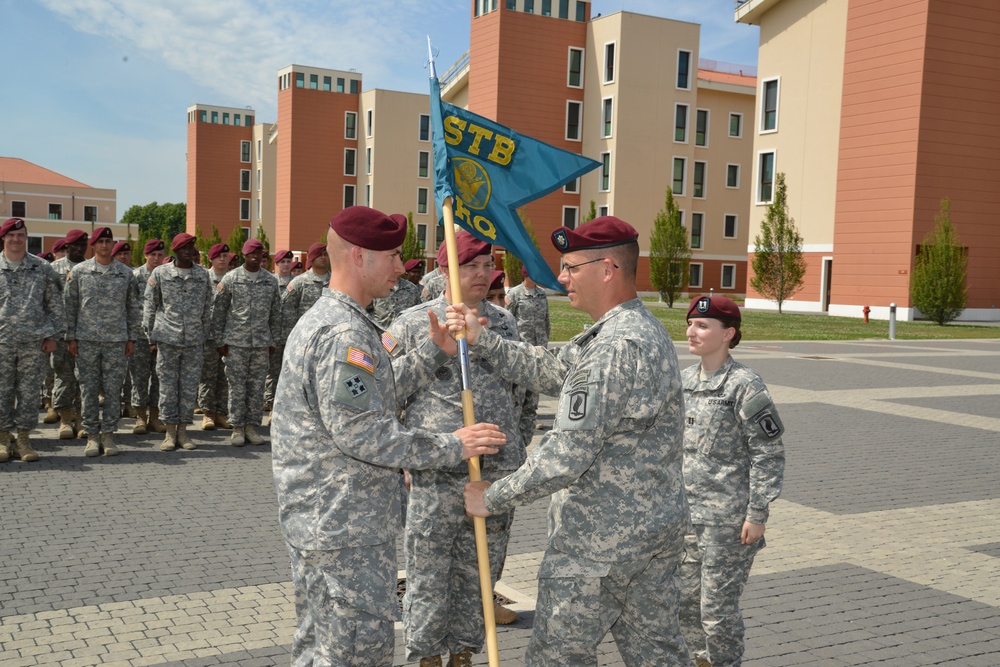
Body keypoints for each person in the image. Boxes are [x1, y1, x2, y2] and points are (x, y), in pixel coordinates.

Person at [270, 205, 507, 667]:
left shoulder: (339, 322)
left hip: (332, 521)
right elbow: (364, 434)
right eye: (394, 255)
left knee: (322, 648)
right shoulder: (345, 334)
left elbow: (369, 400)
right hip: (344, 527)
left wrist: (430, 357)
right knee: (355, 653)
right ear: (360, 257)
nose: (401, 267)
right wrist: (453, 445)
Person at [461, 216, 690, 666]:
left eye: (571, 267)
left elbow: (567, 455)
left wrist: (495, 496)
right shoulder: (634, 331)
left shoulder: (612, 348)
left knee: (556, 657)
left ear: (608, 269)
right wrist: (481, 339)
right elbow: (553, 370)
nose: (561, 278)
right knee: (658, 654)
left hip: (599, 543)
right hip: (650, 530)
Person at [391, 233, 524, 666]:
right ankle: (427, 655)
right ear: (444, 268)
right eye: (471, 265)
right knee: (429, 573)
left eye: (488, 264)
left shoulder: (504, 323)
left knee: (482, 571)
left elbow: (520, 393)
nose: (483, 274)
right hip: (437, 470)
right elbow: (385, 394)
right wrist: (405, 460)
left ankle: (465, 652)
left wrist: (517, 450)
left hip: (496, 471)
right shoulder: (414, 323)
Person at [678, 296, 785, 667]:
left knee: (716, 612)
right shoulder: (684, 381)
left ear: (729, 334)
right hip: (687, 518)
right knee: (684, 603)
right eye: (691, 323)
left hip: (728, 522)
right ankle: (701, 661)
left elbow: (768, 453)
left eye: (703, 325)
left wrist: (757, 514)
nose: (692, 331)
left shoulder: (744, 384)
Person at [65, 227, 141, 456]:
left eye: (108, 241)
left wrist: (131, 338)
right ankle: (91, 436)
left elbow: (132, 308)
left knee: (112, 389)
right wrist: (71, 337)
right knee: (88, 390)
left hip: (116, 341)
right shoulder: (79, 272)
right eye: (100, 242)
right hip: (86, 340)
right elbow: (70, 306)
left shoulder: (125, 273)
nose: (105, 246)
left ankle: (108, 435)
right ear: (93, 246)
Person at [0, 218, 64, 463]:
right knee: (2, 392)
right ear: (4, 238)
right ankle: (3, 438)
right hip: (2, 342)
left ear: (26, 237)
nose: (16, 239)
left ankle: (24, 439)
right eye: (11, 235)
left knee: (29, 393)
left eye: (21, 235)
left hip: (33, 343)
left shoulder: (42, 268)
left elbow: (55, 305)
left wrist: (52, 335)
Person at [143, 233, 214, 452]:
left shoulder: (202, 275)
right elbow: (150, 305)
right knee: (167, 387)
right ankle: (169, 432)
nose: (189, 251)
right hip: (167, 339)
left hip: (193, 341)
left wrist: (203, 334)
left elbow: (208, 306)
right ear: (175, 251)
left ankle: (183, 432)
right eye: (184, 248)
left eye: (191, 247)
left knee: (188, 387)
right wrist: (151, 337)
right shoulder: (161, 273)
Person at [212, 237, 280, 446]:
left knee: (256, 387)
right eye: (251, 253)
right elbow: (219, 311)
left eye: (258, 253)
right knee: (237, 387)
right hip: (236, 342)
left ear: (262, 256)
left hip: (261, 343)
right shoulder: (231, 279)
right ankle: (237, 428)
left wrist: (273, 341)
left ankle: (252, 427)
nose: (255, 256)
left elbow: (275, 313)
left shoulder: (270, 280)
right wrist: (219, 340)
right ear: (243, 254)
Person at [504, 266, 551, 450]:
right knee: (520, 391)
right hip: (521, 350)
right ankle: (515, 426)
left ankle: (529, 426)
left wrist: (546, 341)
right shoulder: (515, 294)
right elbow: (509, 320)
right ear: (526, 274)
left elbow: (546, 320)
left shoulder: (542, 294)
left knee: (534, 391)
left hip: (538, 349)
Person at [51, 229, 88, 440]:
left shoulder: (90, 268)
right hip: (60, 334)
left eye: (83, 245)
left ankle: (82, 419)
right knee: (63, 377)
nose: (80, 248)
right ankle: (65, 418)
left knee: (85, 378)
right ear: (67, 247)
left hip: (85, 334)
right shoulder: (52, 269)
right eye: (75, 245)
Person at [130, 238, 167, 435]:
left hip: (161, 334)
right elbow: (129, 304)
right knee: (139, 377)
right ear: (146, 255)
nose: (157, 258)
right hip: (139, 335)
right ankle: (140, 418)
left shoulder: (166, 275)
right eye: (153, 254)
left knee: (159, 377)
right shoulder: (135, 276)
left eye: (160, 255)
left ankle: (155, 416)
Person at [197, 243, 232, 431]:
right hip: (208, 336)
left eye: (225, 255)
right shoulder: (203, 278)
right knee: (208, 375)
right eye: (218, 256)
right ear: (211, 259)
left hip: (229, 335)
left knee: (225, 376)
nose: (222, 259)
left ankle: (222, 412)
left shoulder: (233, 279)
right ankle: (208, 414)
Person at [369, 222, 422, 328]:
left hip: (405, 340)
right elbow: (368, 314)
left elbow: (418, 314)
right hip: (382, 339)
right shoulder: (376, 288)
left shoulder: (411, 289)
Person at [264, 249, 295, 412]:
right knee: (272, 372)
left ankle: (285, 404)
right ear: (276, 264)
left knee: (290, 371)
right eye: (282, 262)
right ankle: (269, 401)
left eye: (288, 261)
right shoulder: (270, 282)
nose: (285, 264)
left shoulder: (297, 283)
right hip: (273, 335)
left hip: (291, 335)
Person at [279, 242, 330, 339]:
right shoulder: (299, 282)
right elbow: (286, 310)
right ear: (311, 257)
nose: (323, 257)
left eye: (325, 254)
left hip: (329, 337)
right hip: (304, 337)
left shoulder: (336, 282)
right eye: (319, 254)